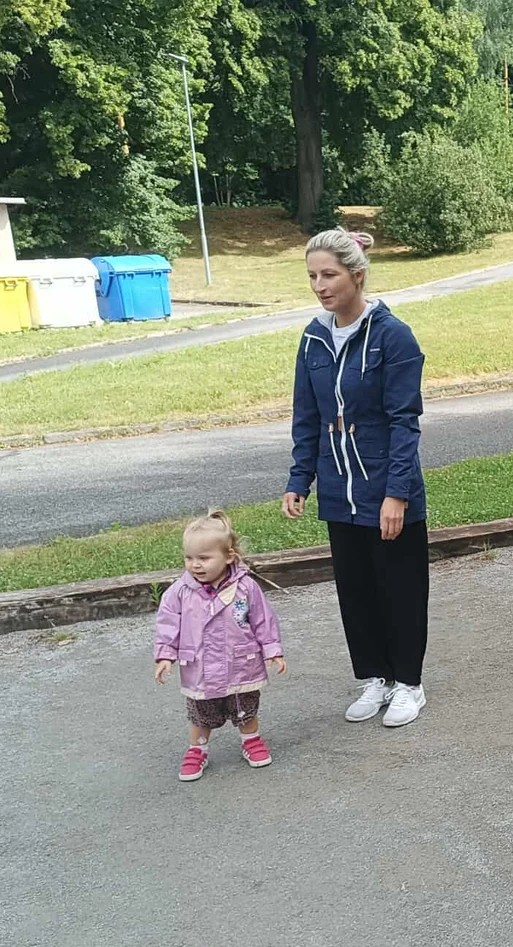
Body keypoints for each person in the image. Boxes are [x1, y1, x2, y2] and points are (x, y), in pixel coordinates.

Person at [282, 227, 430, 729]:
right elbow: (307, 415)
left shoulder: (393, 336)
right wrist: (299, 479)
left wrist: (397, 494)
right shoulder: (313, 338)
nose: (319, 286)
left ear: (357, 275)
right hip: (338, 491)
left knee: (399, 589)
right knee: (356, 590)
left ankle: (408, 684)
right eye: (312, 276)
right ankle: (376, 678)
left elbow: (404, 422)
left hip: (385, 489)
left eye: (329, 275)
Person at [154, 510, 286, 782]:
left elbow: (263, 620)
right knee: (200, 713)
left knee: (245, 707)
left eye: (204, 558)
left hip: (240, 664)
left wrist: (272, 649)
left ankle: (251, 739)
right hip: (200, 667)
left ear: (229, 556)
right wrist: (165, 655)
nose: (195, 565)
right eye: (189, 558)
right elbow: (168, 624)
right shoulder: (179, 592)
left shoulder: (245, 588)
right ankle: (197, 749)